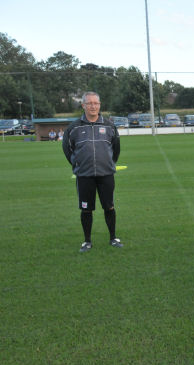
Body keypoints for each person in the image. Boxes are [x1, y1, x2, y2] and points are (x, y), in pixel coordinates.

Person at [62, 91, 123, 253]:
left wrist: (109, 163)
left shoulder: (109, 125)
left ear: (100, 105)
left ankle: (113, 238)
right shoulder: (74, 128)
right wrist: (78, 165)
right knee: (86, 209)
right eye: (89, 103)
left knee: (109, 206)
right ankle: (87, 241)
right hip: (84, 176)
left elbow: (116, 149)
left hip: (106, 175)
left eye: (96, 103)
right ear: (83, 105)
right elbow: (67, 150)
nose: (93, 106)